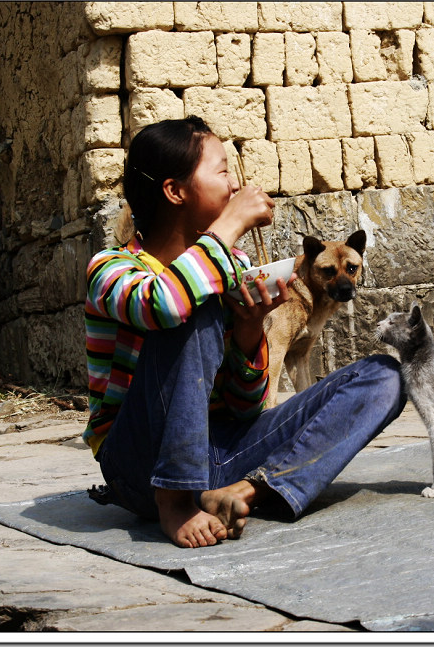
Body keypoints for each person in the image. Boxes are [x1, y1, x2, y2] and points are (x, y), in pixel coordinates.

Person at [82, 117, 407, 548]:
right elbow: (166, 303)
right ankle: (174, 500)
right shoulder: (112, 269)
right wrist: (229, 225)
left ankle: (249, 490)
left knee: (386, 377)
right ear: (175, 191)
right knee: (191, 310)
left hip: (222, 454)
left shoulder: (230, 266)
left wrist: (251, 329)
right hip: (139, 462)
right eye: (221, 172)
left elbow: (244, 406)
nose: (235, 186)